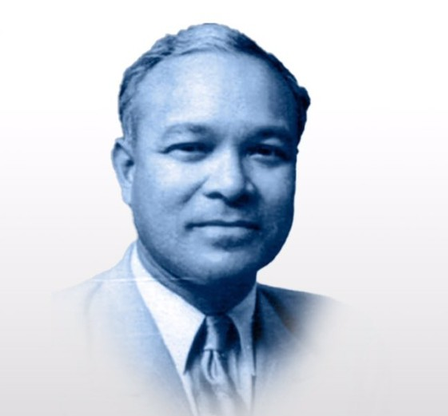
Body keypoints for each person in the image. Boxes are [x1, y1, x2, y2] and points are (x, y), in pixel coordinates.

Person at [54, 23, 378, 416]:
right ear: (127, 171)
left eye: (265, 151)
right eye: (191, 147)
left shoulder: (357, 345)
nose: (232, 184)